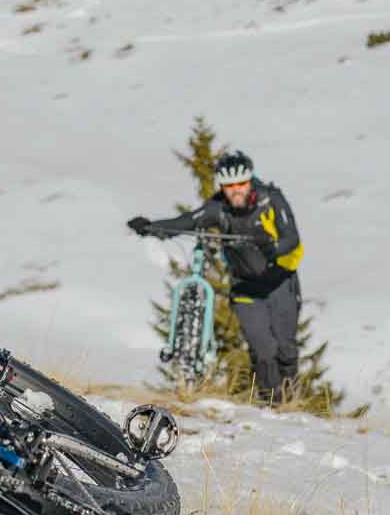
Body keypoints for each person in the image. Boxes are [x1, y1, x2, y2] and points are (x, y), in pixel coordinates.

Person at [127, 150, 304, 404]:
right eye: (229, 186)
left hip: (280, 282)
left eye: (241, 184)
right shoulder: (217, 208)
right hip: (246, 289)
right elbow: (187, 221)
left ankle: (292, 401)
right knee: (263, 350)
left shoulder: (271, 199)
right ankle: (273, 405)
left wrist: (272, 247)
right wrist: (151, 227)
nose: (236, 191)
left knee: (286, 349)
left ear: (250, 180)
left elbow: (292, 237)